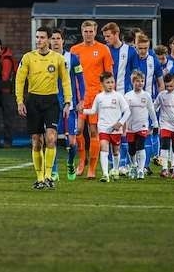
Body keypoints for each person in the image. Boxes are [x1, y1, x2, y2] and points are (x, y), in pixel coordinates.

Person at [16, 26, 71, 190]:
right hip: (33, 100)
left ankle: (48, 176)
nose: (38, 40)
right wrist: (20, 101)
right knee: (37, 142)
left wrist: (68, 101)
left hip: (51, 101)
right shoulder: (28, 58)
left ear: (48, 39)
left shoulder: (58, 59)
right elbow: (20, 80)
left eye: (41, 37)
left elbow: (65, 80)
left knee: (51, 138)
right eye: (37, 37)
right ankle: (39, 178)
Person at [69, 20, 113, 178]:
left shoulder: (103, 49)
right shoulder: (74, 50)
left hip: (97, 97)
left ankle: (92, 169)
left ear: (95, 32)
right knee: (78, 130)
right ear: (82, 32)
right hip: (81, 97)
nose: (88, 34)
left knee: (94, 131)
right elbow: (71, 75)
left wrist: (108, 95)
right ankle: (82, 161)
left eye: (91, 31)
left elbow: (109, 74)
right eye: (85, 31)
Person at [49, 28, 86, 181]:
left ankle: (71, 162)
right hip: (50, 104)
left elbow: (80, 81)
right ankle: (54, 170)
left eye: (58, 38)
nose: (55, 41)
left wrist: (82, 100)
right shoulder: (45, 58)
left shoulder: (73, 58)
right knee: (51, 139)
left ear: (63, 41)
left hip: (69, 106)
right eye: (53, 38)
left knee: (71, 141)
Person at [82, 72, 130, 182]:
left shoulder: (118, 96)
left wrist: (120, 123)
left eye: (112, 82)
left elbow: (127, 111)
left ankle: (115, 170)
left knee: (115, 151)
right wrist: (83, 110)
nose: (110, 84)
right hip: (103, 127)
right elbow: (94, 110)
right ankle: (105, 174)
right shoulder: (99, 97)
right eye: (108, 82)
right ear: (102, 84)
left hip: (116, 129)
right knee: (103, 147)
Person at [124, 71, 158, 180]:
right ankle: (134, 165)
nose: (140, 83)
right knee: (131, 149)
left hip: (142, 125)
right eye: (137, 81)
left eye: (142, 81)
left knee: (140, 146)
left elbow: (151, 109)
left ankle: (140, 170)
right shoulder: (127, 96)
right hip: (130, 126)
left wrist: (155, 123)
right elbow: (124, 112)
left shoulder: (146, 96)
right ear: (133, 82)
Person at [154, 74, 174, 179]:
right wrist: (153, 119)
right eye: (167, 86)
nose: (169, 88)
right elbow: (154, 107)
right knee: (165, 145)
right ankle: (164, 168)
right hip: (165, 125)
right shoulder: (162, 95)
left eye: (171, 86)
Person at [102, 22, 139, 94]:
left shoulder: (131, 51)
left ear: (116, 34)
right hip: (106, 92)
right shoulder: (104, 49)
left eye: (108, 36)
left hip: (124, 93)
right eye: (105, 36)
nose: (105, 39)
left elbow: (135, 72)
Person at [135, 34, 164, 99]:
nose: (143, 51)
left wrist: (157, 101)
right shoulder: (131, 58)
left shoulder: (154, 60)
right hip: (133, 99)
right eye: (140, 48)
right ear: (136, 46)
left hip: (150, 99)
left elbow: (161, 84)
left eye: (145, 48)